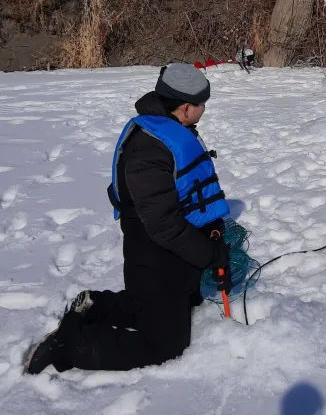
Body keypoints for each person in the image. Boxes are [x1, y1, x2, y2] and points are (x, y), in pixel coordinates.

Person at [25, 63, 232, 374]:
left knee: (173, 307)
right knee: (166, 346)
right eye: (202, 104)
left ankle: (95, 305)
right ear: (187, 107)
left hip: (174, 252)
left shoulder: (174, 129)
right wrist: (209, 255)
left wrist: (213, 233)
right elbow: (163, 224)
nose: (204, 110)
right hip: (152, 254)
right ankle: (70, 345)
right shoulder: (148, 149)